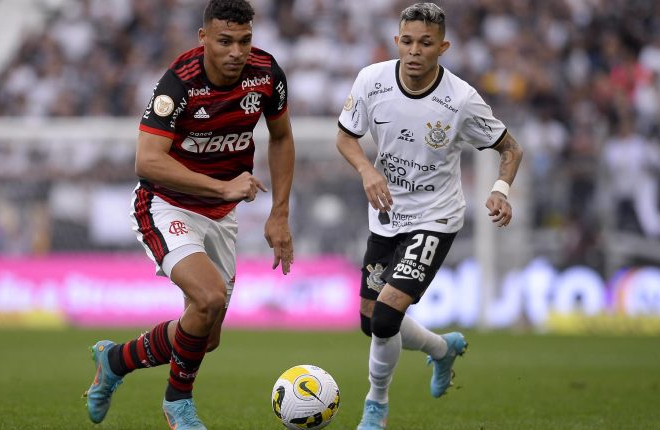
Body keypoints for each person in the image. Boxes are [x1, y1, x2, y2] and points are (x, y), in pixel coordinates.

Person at [83, 1, 295, 429]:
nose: (237, 51)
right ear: (203, 40)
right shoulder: (178, 83)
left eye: (245, 40)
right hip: (165, 204)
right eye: (225, 41)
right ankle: (178, 405)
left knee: (204, 335)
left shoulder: (267, 73)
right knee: (209, 297)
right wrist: (222, 186)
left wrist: (279, 215)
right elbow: (147, 161)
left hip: (221, 215)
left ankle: (114, 360)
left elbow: (282, 136)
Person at [336, 3, 523, 429]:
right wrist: (367, 170)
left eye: (425, 43)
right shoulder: (372, 80)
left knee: (385, 317)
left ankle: (375, 406)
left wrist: (499, 189)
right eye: (407, 41)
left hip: (435, 219)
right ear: (396, 41)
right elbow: (345, 137)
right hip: (385, 216)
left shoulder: (460, 100)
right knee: (371, 322)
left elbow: (511, 147)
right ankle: (442, 349)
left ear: (443, 46)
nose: (414, 51)